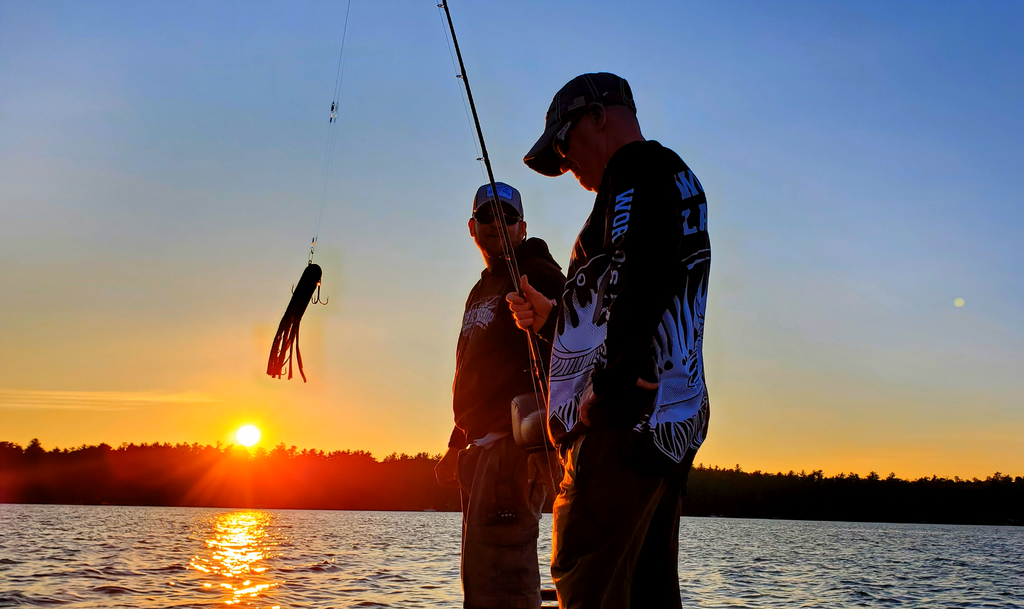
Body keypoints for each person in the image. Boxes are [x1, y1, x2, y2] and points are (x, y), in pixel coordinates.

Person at [508, 73, 712, 609]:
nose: (564, 160)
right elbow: (635, 284)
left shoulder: (636, 168)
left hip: (622, 425)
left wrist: (617, 378)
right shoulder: (665, 179)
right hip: (662, 426)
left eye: (563, 141)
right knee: (645, 592)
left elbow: (643, 265)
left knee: (583, 579)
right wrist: (553, 318)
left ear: (598, 116)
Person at [435, 182, 566, 609]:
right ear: (472, 228)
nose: (497, 224)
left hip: (512, 449)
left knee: (503, 575)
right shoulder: (482, 287)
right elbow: (471, 371)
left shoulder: (534, 269)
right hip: (478, 449)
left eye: (507, 217)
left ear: (522, 226)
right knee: (479, 574)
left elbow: (577, 319)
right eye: (487, 217)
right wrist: (457, 443)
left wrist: (546, 310)